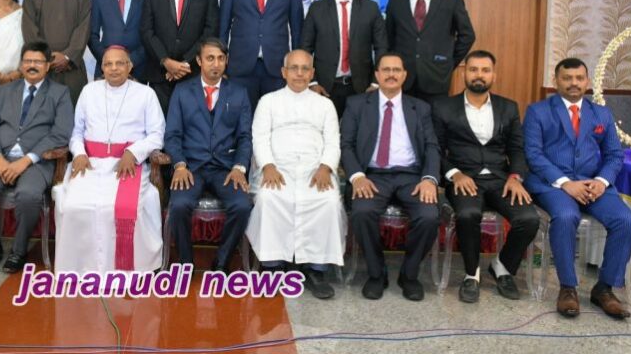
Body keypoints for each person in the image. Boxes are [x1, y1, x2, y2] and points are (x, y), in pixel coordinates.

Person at [523, 57, 631, 319]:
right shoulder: (538, 111)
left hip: (593, 184)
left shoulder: (601, 113)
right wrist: (566, 183)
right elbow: (533, 154)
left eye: (579, 78)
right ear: (556, 81)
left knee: (626, 221)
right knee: (565, 216)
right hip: (553, 185)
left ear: (587, 81)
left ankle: (604, 289)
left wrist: (602, 181)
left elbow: (614, 155)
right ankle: (567, 288)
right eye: (567, 78)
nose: (573, 83)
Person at [432, 50, 538, 302]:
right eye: (473, 69)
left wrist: (515, 176)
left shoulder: (508, 107)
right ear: (464, 73)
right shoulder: (443, 107)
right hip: (464, 179)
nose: (479, 75)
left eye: (485, 70)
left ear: (493, 75)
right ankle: (472, 275)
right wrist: (455, 174)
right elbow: (434, 149)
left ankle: (502, 267)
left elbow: (517, 148)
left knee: (528, 219)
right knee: (468, 214)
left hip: (501, 179)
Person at [53, 46, 165, 273]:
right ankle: (80, 269)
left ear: (130, 66)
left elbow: (157, 134)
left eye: (120, 63)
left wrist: (133, 153)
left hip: (126, 166)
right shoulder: (89, 91)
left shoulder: (145, 94)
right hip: (90, 164)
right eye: (108, 64)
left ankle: (123, 270)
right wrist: (80, 153)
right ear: (101, 68)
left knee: (120, 208)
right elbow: (77, 131)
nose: (114, 68)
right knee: (74, 205)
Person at [341, 52, 441, 301]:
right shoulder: (356, 104)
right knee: (362, 211)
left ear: (404, 75)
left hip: (411, 176)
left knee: (429, 215)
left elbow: (432, 146)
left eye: (396, 70)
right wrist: (357, 176)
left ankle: (409, 275)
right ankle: (377, 274)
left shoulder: (420, 107)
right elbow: (346, 145)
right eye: (386, 70)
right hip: (372, 175)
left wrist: (429, 179)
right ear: (377, 75)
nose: (391, 74)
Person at [247, 50, 345, 299]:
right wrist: (268, 165)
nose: (299, 74)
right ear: (284, 72)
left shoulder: (325, 105)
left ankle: (316, 270)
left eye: (304, 69)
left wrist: (326, 167)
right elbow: (259, 137)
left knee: (327, 200)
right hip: (278, 168)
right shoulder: (268, 101)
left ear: (312, 73)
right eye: (294, 68)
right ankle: (272, 266)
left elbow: (333, 142)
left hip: (315, 169)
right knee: (270, 198)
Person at [0, 41, 74, 274]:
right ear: (21, 64)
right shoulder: (6, 90)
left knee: (28, 195)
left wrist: (26, 160)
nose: (32, 65)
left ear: (47, 65)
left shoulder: (60, 93)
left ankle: (18, 250)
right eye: (27, 61)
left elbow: (61, 132)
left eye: (38, 61)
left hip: (37, 161)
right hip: (0, 157)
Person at [164, 38, 253, 273]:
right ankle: (186, 262)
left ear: (226, 61)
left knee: (242, 205)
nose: (216, 64)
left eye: (221, 58)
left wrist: (239, 167)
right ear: (199, 61)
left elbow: (245, 137)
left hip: (225, 168)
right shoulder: (182, 91)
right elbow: (172, 135)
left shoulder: (239, 93)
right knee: (180, 205)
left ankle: (221, 262)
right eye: (210, 58)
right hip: (191, 167)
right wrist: (179, 164)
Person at [219, 0, 304, 109]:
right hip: (240, 68)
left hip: (278, 69)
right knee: (240, 120)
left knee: (277, 119)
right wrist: (221, 64)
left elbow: (297, 29)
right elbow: (222, 28)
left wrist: (297, 66)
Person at [302, 0, 388, 120]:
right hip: (325, 87)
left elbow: (381, 48)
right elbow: (305, 48)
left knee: (359, 132)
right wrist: (312, 82)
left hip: (362, 87)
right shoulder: (316, 9)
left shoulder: (370, 8)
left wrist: (376, 82)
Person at [385, 0, 475, 101]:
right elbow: (388, 38)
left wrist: (449, 62)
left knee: (435, 117)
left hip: (437, 78)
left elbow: (467, 35)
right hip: (402, 78)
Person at [140, 0, 219, 113]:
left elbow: (210, 31)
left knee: (192, 125)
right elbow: (146, 31)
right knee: (160, 126)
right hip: (160, 75)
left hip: (193, 74)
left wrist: (184, 64)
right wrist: (165, 61)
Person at [22, 0, 92, 104]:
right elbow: (30, 31)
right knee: (40, 112)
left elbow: (83, 30)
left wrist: (67, 57)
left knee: (73, 112)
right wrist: (46, 58)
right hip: (42, 67)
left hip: (72, 68)